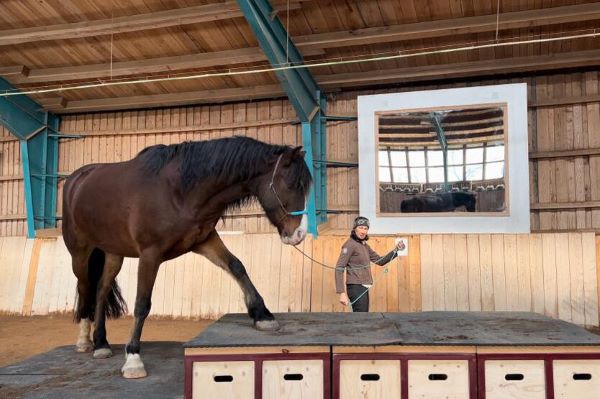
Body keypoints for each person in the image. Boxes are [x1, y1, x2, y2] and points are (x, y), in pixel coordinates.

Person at [335, 216, 405, 312]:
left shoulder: (364, 246)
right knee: (361, 319)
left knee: (363, 317)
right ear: (354, 228)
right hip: (355, 287)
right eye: (360, 227)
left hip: (363, 287)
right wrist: (342, 292)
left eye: (366, 228)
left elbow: (381, 261)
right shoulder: (349, 244)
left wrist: (396, 250)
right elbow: (339, 267)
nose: (363, 231)